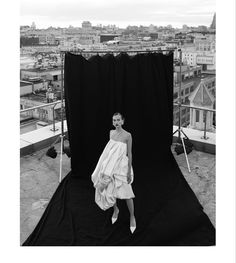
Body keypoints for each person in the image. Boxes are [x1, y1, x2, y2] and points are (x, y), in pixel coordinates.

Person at [91, 112, 136, 233]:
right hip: (110, 166)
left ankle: (132, 216)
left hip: (121, 166)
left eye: (118, 120)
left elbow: (129, 153)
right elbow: (109, 152)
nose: (116, 122)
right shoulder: (111, 133)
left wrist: (128, 171)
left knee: (127, 193)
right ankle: (116, 210)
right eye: (114, 120)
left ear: (123, 121)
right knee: (110, 189)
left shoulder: (128, 135)